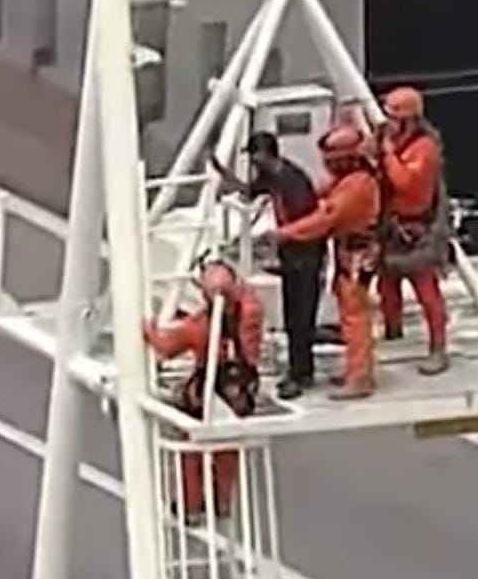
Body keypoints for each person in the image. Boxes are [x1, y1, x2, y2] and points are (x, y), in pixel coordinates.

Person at [142, 260, 264, 521]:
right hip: (240, 394)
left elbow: (166, 348)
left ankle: (191, 504)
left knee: (190, 447)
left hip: (207, 395)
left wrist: (149, 331)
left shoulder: (198, 328)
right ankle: (223, 501)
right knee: (227, 448)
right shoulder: (251, 315)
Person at [212, 132, 325, 400]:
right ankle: (300, 369)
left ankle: (302, 373)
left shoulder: (292, 180)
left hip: (307, 253)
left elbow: (309, 221)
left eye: (254, 154)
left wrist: (281, 236)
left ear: (265, 154)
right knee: (292, 316)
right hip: (291, 253)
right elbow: (250, 192)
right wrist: (223, 174)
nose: (252, 160)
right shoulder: (271, 177)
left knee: (302, 316)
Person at [273, 125, 381, 401]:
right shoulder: (350, 179)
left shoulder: (356, 186)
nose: (327, 165)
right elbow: (321, 194)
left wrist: (285, 233)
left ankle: (360, 378)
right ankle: (355, 369)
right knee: (349, 313)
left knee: (355, 316)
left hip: (357, 255)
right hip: (349, 254)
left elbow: (325, 220)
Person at [375, 86, 451, 376]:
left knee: (427, 292)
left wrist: (387, 153)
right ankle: (393, 330)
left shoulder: (424, 148)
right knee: (386, 285)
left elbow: (405, 182)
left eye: (393, 118)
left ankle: (438, 348)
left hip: (417, 230)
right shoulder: (390, 140)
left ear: (408, 120)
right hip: (391, 227)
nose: (388, 123)